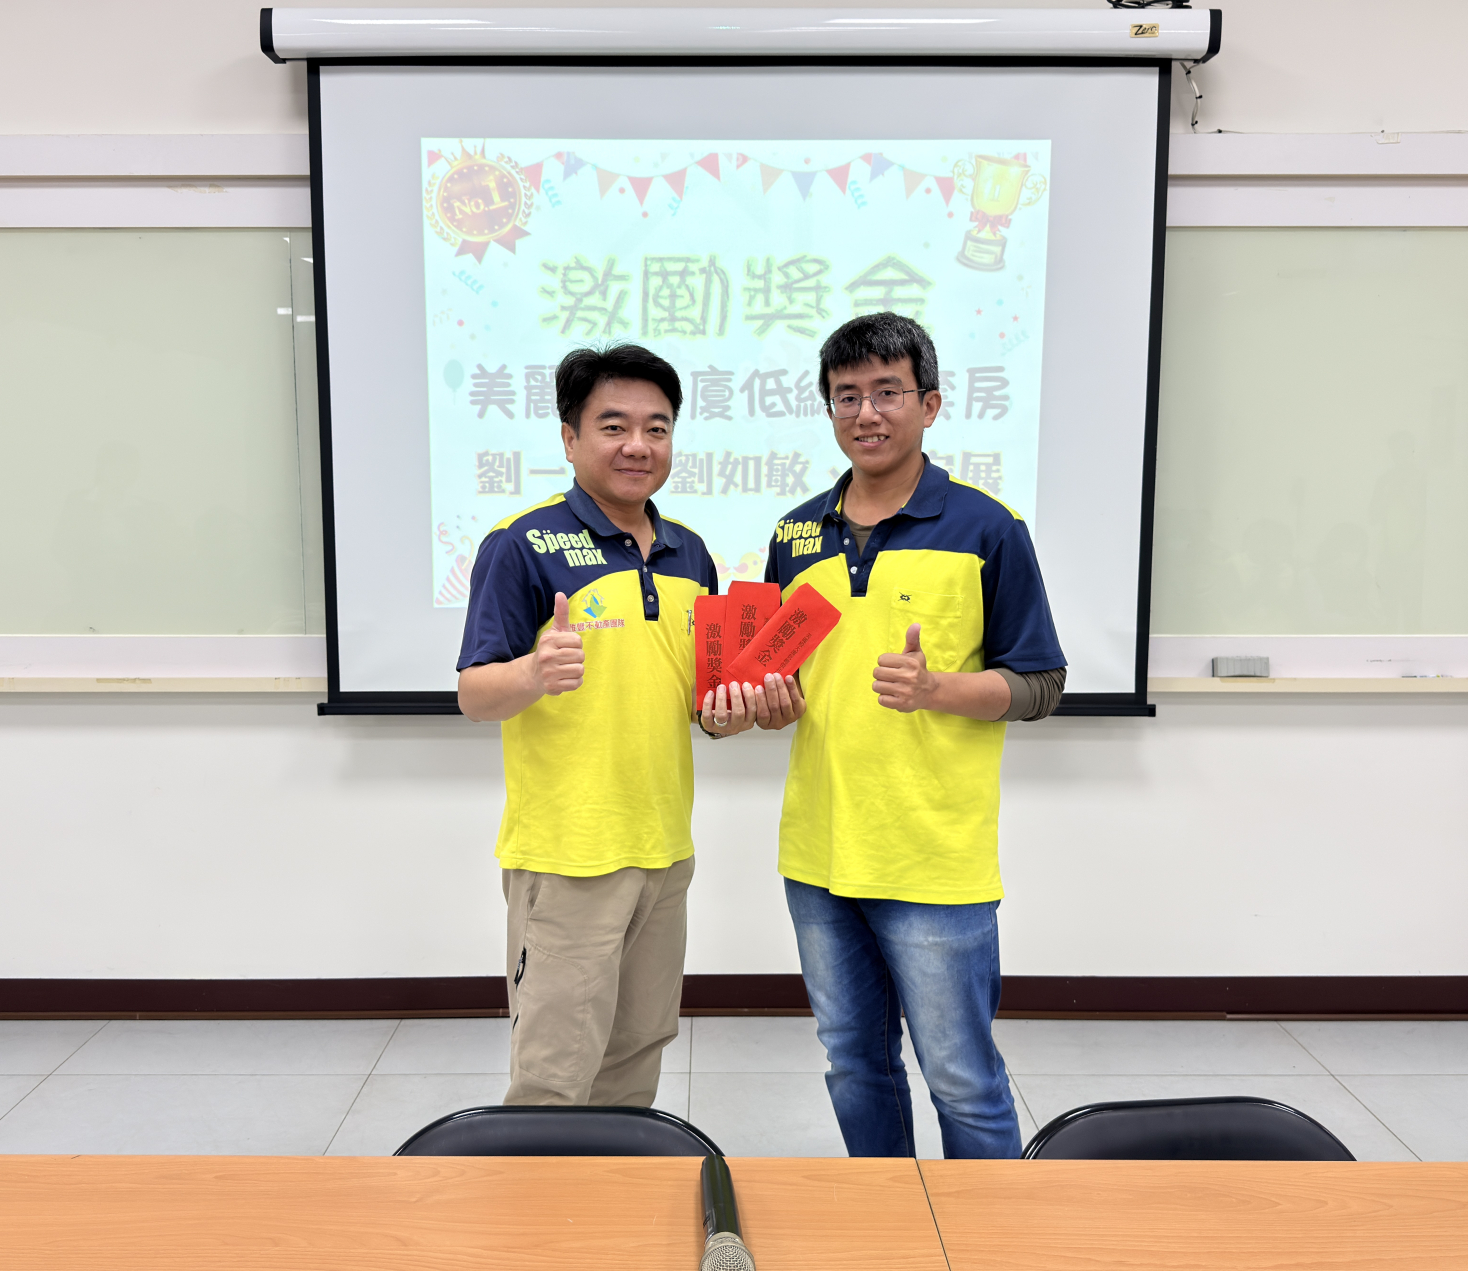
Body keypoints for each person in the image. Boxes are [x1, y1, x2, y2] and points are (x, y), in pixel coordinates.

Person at [456, 342, 795, 1107]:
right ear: (570, 436)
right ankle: (544, 1192)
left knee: (637, 1051)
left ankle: (616, 1185)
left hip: (664, 848)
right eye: (613, 426)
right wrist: (532, 673)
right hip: (569, 855)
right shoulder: (522, 544)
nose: (637, 445)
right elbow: (475, 694)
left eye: (657, 427)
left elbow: (698, 702)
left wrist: (735, 714)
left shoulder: (690, 554)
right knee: (554, 1072)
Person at [762, 312, 1066, 1158]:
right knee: (854, 1064)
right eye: (846, 396)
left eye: (887, 392)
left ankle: (985, 1230)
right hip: (819, 852)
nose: (866, 413)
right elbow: (783, 678)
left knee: (961, 1077)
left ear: (929, 404)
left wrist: (940, 689)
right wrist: (768, 705)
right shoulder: (795, 534)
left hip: (934, 856)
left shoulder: (987, 529)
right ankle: (888, 1218)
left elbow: (1041, 683)